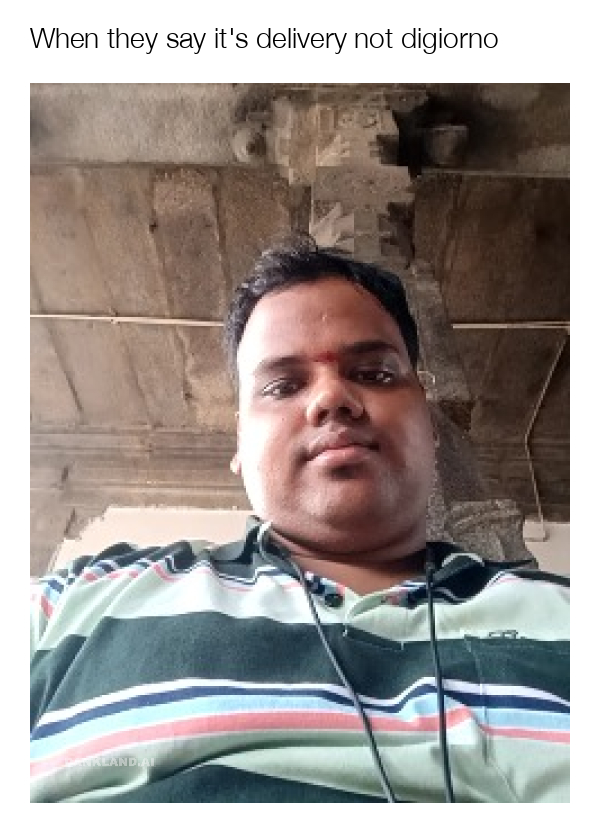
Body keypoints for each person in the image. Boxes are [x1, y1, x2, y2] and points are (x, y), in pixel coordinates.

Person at [30, 240, 569, 803]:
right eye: (283, 386)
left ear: (430, 424)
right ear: (240, 443)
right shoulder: (72, 607)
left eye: (375, 373)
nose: (333, 397)